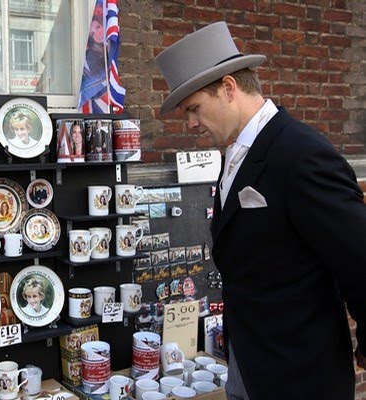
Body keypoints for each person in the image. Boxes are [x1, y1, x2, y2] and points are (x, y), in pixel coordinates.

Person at [154, 21, 366, 399]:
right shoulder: (235, 153)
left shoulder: (302, 155)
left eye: (194, 109)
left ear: (229, 88)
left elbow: (359, 258)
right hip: (249, 363)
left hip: (298, 376)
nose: (190, 123)